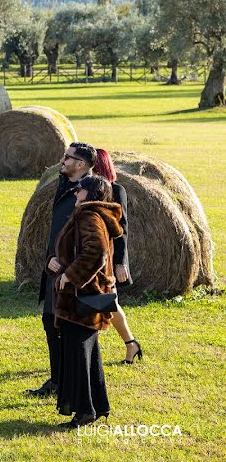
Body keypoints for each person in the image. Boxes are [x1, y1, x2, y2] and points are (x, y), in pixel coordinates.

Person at [52, 175, 122, 428]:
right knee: (89, 353)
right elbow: (81, 251)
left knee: (78, 353)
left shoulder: (88, 216)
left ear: (91, 194)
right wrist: (59, 266)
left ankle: (84, 411)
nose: (75, 193)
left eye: (79, 190)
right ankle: (98, 405)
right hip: (88, 295)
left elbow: (96, 252)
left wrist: (70, 276)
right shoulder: (94, 214)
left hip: (82, 297)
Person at [28, 142, 96, 398]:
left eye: (67, 157)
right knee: (50, 323)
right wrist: (49, 258)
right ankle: (57, 381)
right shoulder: (63, 185)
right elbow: (56, 231)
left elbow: (93, 239)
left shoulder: (92, 190)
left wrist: (68, 267)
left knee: (70, 331)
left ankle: (71, 385)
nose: (62, 160)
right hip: (54, 270)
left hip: (73, 275)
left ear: (80, 164)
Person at [93, 149, 143, 364]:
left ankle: (131, 343)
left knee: (107, 301)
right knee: (104, 301)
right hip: (91, 251)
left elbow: (121, 228)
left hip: (109, 254)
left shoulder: (116, 190)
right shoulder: (85, 189)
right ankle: (131, 344)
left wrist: (121, 262)